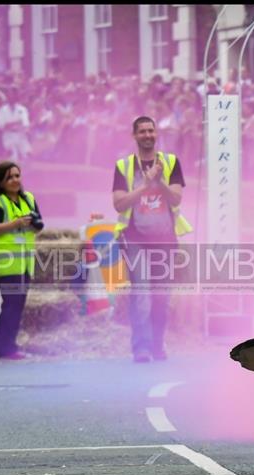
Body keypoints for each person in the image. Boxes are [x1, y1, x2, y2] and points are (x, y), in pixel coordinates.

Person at [112, 116, 193, 363]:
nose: (148, 135)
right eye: (142, 131)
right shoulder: (124, 166)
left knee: (161, 295)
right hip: (135, 238)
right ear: (135, 136)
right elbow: (119, 203)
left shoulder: (170, 163)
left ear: (156, 134)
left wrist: (159, 182)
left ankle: (158, 344)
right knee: (141, 293)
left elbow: (176, 199)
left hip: (165, 239)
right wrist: (145, 186)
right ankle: (141, 347)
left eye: (151, 130)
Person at [0, 161, 43, 360]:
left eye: (17, 176)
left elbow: (38, 226)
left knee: (15, 303)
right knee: (12, 303)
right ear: (1, 182)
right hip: (6, 261)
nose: (15, 180)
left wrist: (33, 224)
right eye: (9, 177)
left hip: (25, 262)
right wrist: (14, 223)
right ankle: (7, 347)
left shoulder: (29, 199)